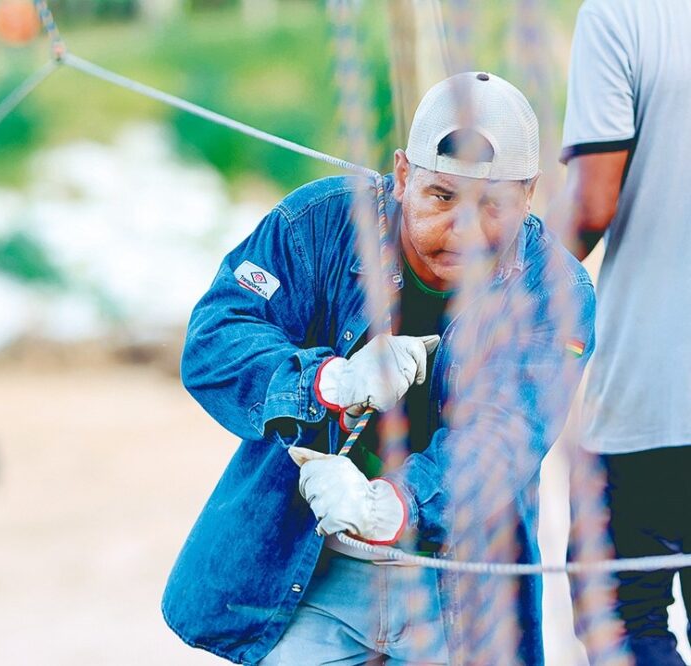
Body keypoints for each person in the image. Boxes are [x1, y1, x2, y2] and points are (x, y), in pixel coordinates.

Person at [162, 72, 596, 665]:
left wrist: (390, 506)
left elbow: (505, 435)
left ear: (529, 195)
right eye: (441, 196)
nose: (465, 229)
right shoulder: (321, 223)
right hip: (311, 572)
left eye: (492, 204)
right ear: (402, 174)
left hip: (459, 595)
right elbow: (216, 335)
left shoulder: (555, 291)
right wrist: (328, 382)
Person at [559, 1, 691, 663]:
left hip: (653, 404)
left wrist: (500, 288)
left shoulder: (622, 13)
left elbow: (590, 206)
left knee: (622, 620)